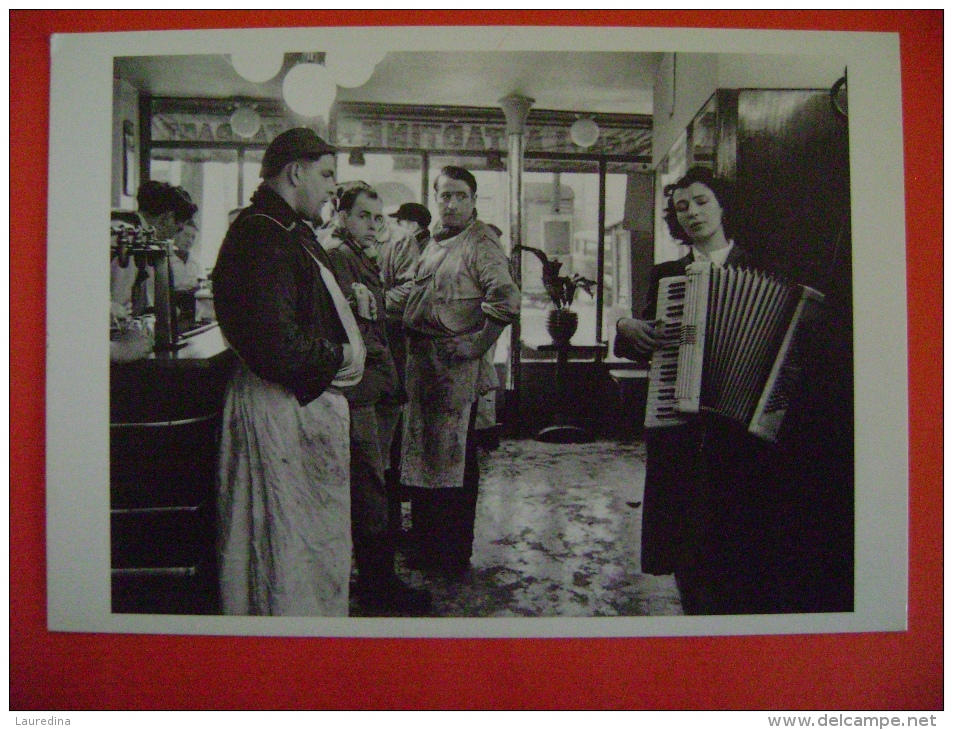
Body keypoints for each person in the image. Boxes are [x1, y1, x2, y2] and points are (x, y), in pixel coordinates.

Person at [212, 127, 366, 616]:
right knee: (281, 549)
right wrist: (340, 357)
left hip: (294, 407)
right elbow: (277, 347)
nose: (330, 189)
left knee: (302, 548)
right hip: (278, 409)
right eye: (325, 176)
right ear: (294, 172)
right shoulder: (260, 234)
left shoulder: (285, 229)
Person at [615, 166, 777, 615]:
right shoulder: (668, 275)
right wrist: (627, 327)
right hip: (682, 428)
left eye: (701, 201)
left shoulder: (764, 269)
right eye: (681, 206)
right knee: (687, 546)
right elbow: (641, 345)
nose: (691, 213)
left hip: (743, 432)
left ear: (722, 206)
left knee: (742, 544)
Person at [401, 166, 520, 576]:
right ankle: (425, 547)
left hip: (454, 368)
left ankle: (451, 556)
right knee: (425, 461)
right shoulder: (436, 242)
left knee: (454, 462)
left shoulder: (480, 241)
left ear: (473, 200)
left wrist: (476, 344)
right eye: (444, 195)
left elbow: (505, 299)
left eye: (459, 195)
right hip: (424, 367)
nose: (450, 203)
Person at [325, 183, 432, 616]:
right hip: (359, 388)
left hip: (375, 384)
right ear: (342, 216)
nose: (373, 225)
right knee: (369, 485)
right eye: (364, 216)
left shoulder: (359, 255)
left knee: (377, 481)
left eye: (378, 217)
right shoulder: (339, 257)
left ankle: (378, 578)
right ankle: (377, 586)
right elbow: (357, 329)